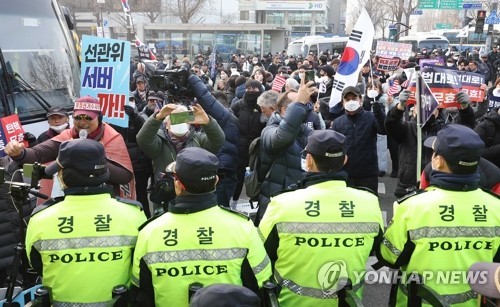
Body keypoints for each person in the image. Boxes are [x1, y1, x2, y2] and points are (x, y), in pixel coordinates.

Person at [130, 147, 272, 307]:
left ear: (178, 184)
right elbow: (262, 285)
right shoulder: (243, 228)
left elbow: (141, 294)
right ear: (216, 181)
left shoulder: (149, 232)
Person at [377, 124, 500, 307]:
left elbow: (390, 257)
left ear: (439, 161)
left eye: (433, 152)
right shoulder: (495, 206)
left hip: (418, 302)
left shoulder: (412, 206)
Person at [259, 130, 384, 306]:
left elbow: (260, 255)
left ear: (308, 160)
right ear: (345, 160)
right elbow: (378, 250)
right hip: (347, 302)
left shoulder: (282, 203)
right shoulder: (369, 201)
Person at [25, 139, 146, 306]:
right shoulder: (134, 214)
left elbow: (37, 265)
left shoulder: (40, 218)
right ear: (105, 172)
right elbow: (141, 269)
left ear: (62, 176)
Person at [4, 96, 135, 201]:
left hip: (105, 199)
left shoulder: (112, 137)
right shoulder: (67, 136)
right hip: (71, 199)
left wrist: (94, 160)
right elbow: (39, 153)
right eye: (78, 118)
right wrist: (19, 153)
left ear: (99, 119)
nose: (82, 123)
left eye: (89, 118)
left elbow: (125, 176)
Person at [136, 102, 224, 214]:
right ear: (166, 124)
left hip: (194, 196)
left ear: (189, 123)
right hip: (165, 196)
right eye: (175, 118)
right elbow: (143, 139)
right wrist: (157, 117)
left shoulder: (199, 139)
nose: (180, 122)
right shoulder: (159, 140)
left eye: (183, 118)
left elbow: (218, 141)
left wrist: (208, 123)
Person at [255, 82, 315, 224]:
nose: (303, 109)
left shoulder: (306, 131)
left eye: (304, 105)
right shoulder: (270, 130)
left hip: (300, 201)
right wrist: (299, 103)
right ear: (283, 110)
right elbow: (281, 138)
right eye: (297, 106)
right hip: (274, 199)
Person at [187, 73, 240, 208]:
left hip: (221, 176)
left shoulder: (226, 117)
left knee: (218, 213)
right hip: (210, 173)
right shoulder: (209, 122)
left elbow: (206, 99)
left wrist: (191, 77)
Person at [331, 86, 386, 194]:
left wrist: (380, 114)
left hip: (368, 173)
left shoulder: (371, 117)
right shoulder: (337, 122)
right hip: (346, 174)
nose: (351, 101)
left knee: (368, 207)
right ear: (342, 102)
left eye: (354, 98)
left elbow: (383, 130)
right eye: (347, 99)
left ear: (360, 100)